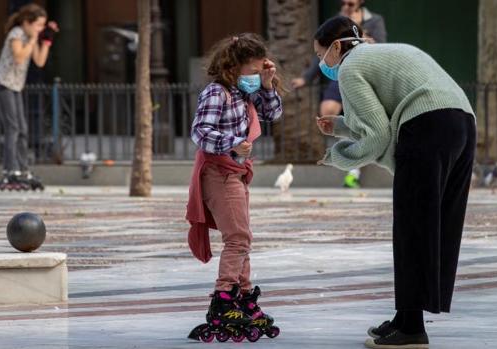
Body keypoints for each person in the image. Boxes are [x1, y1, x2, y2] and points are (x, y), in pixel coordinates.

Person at [314, 16, 476, 348]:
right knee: (433, 223)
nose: (322, 64)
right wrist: (342, 127)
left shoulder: (349, 66)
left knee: (411, 226)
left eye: (321, 55)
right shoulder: (382, 52)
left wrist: (338, 155)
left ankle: (412, 328)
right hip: (461, 121)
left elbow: (376, 137)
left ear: (336, 47)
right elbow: (384, 119)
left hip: (427, 126)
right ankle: (405, 317)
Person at [186, 33, 283, 342]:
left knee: (243, 237)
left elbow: (273, 114)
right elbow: (200, 131)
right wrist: (232, 143)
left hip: (237, 173)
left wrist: (267, 85)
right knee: (238, 237)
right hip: (218, 172)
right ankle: (224, 297)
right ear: (234, 66)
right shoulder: (217, 92)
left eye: (259, 70)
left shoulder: (243, 94)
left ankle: (242, 294)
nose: (255, 77)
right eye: (253, 71)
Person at [293, 0, 386, 188]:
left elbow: (380, 44)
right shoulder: (335, 21)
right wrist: (306, 78)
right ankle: (350, 152)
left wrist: (355, 30)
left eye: (350, 2)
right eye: (344, 2)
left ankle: (354, 167)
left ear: (359, 2)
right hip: (339, 73)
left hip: (361, 69)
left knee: (363, 116)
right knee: (328, 109)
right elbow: (322, 52)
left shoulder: (374, 20)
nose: (347, 5)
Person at [0, 4, 58, 191]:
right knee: (13, 127)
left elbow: (39, 61)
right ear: (27, 23)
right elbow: (19, 56)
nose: (39, 29)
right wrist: (33, 39)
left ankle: (23, 170)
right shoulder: (17, 33)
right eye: (38, 25)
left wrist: (46, 41)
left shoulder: (29, 36)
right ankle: (9, 170)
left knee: (23, 128)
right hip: (2, 85)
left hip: (15, 87)